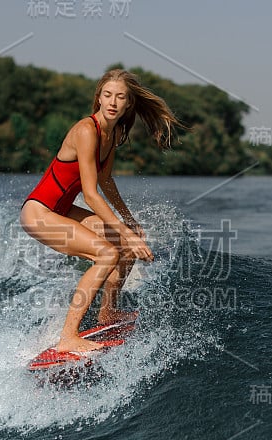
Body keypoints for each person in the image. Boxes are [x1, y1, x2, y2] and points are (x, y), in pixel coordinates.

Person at [20, 69, 181, 353]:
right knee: (107, 254)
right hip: (38, 211)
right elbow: (91, 193)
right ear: (98, 98)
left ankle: (107, 313)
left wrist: (128, 222)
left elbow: (105, 180)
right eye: (107, 95)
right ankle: (68, 337)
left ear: (128, 103)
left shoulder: (113, 133)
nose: (113, 102)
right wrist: (125, 231)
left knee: (125, 249)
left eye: (120, 97)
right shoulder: (86, 130)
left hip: (62, 209)